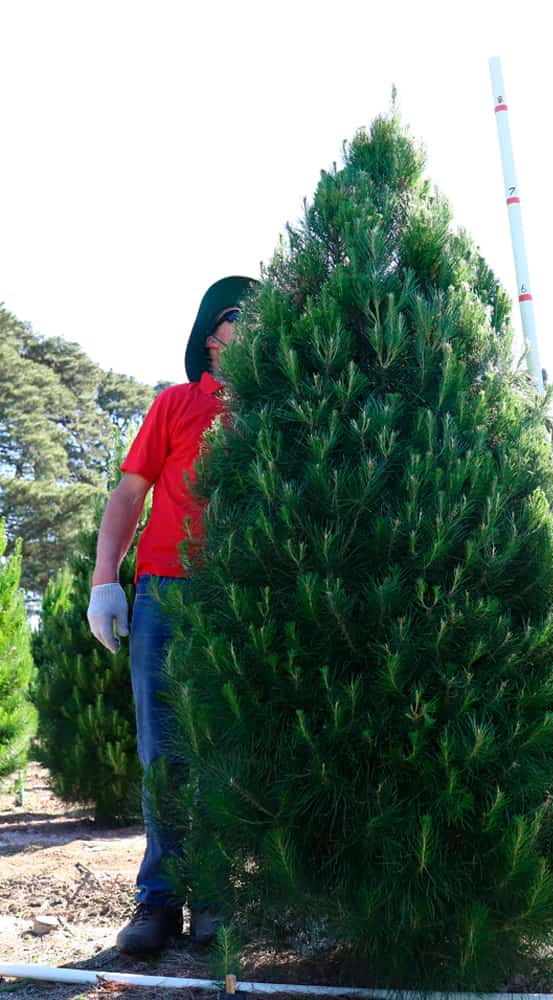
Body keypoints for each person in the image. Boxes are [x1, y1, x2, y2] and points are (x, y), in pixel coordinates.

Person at [87, 276, 255, 954]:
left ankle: (215, 896)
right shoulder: (176, 405)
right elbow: (130, 496)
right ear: (212, 336)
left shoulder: (282, 414)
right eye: (243, 316)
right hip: (165, 593)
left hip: (241, 599)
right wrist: (107, 580)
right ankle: (158, 902)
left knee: (222, 749)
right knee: (165, 749)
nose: (258, 326)